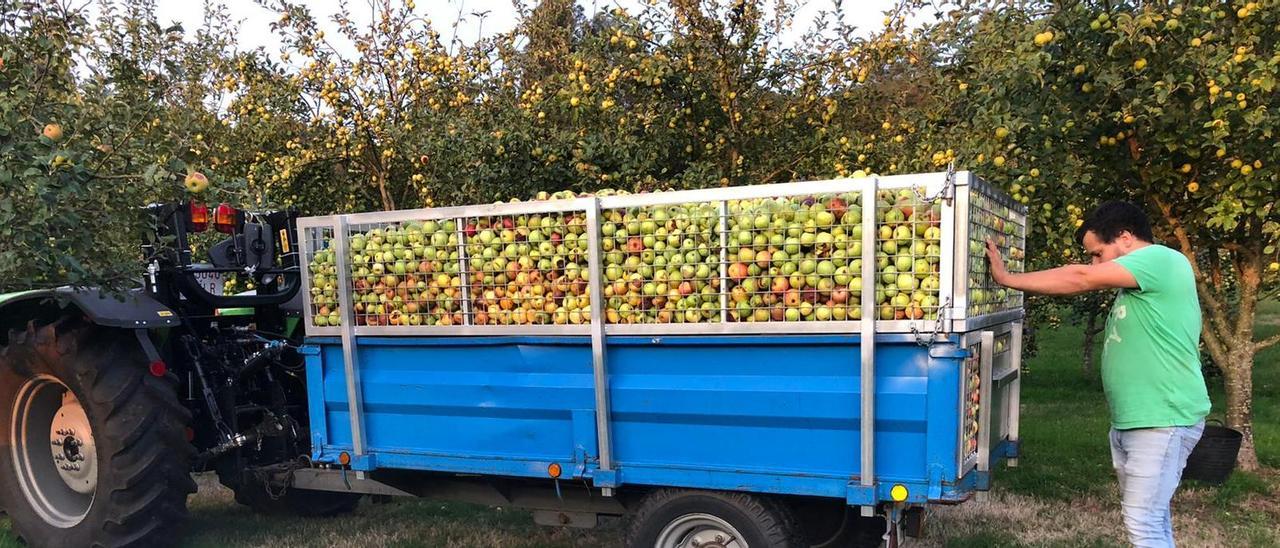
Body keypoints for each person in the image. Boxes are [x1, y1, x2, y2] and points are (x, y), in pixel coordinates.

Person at [984, 200, 1210, 548]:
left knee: (1143, 524)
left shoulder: (1161, 260)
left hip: (1162, 418)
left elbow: (1079, 277)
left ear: (1125, 237)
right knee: (1152, 518)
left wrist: (1005, 279)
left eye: (1097, 253)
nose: (1093, 263)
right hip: (1139, 421)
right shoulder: (1141, 281)